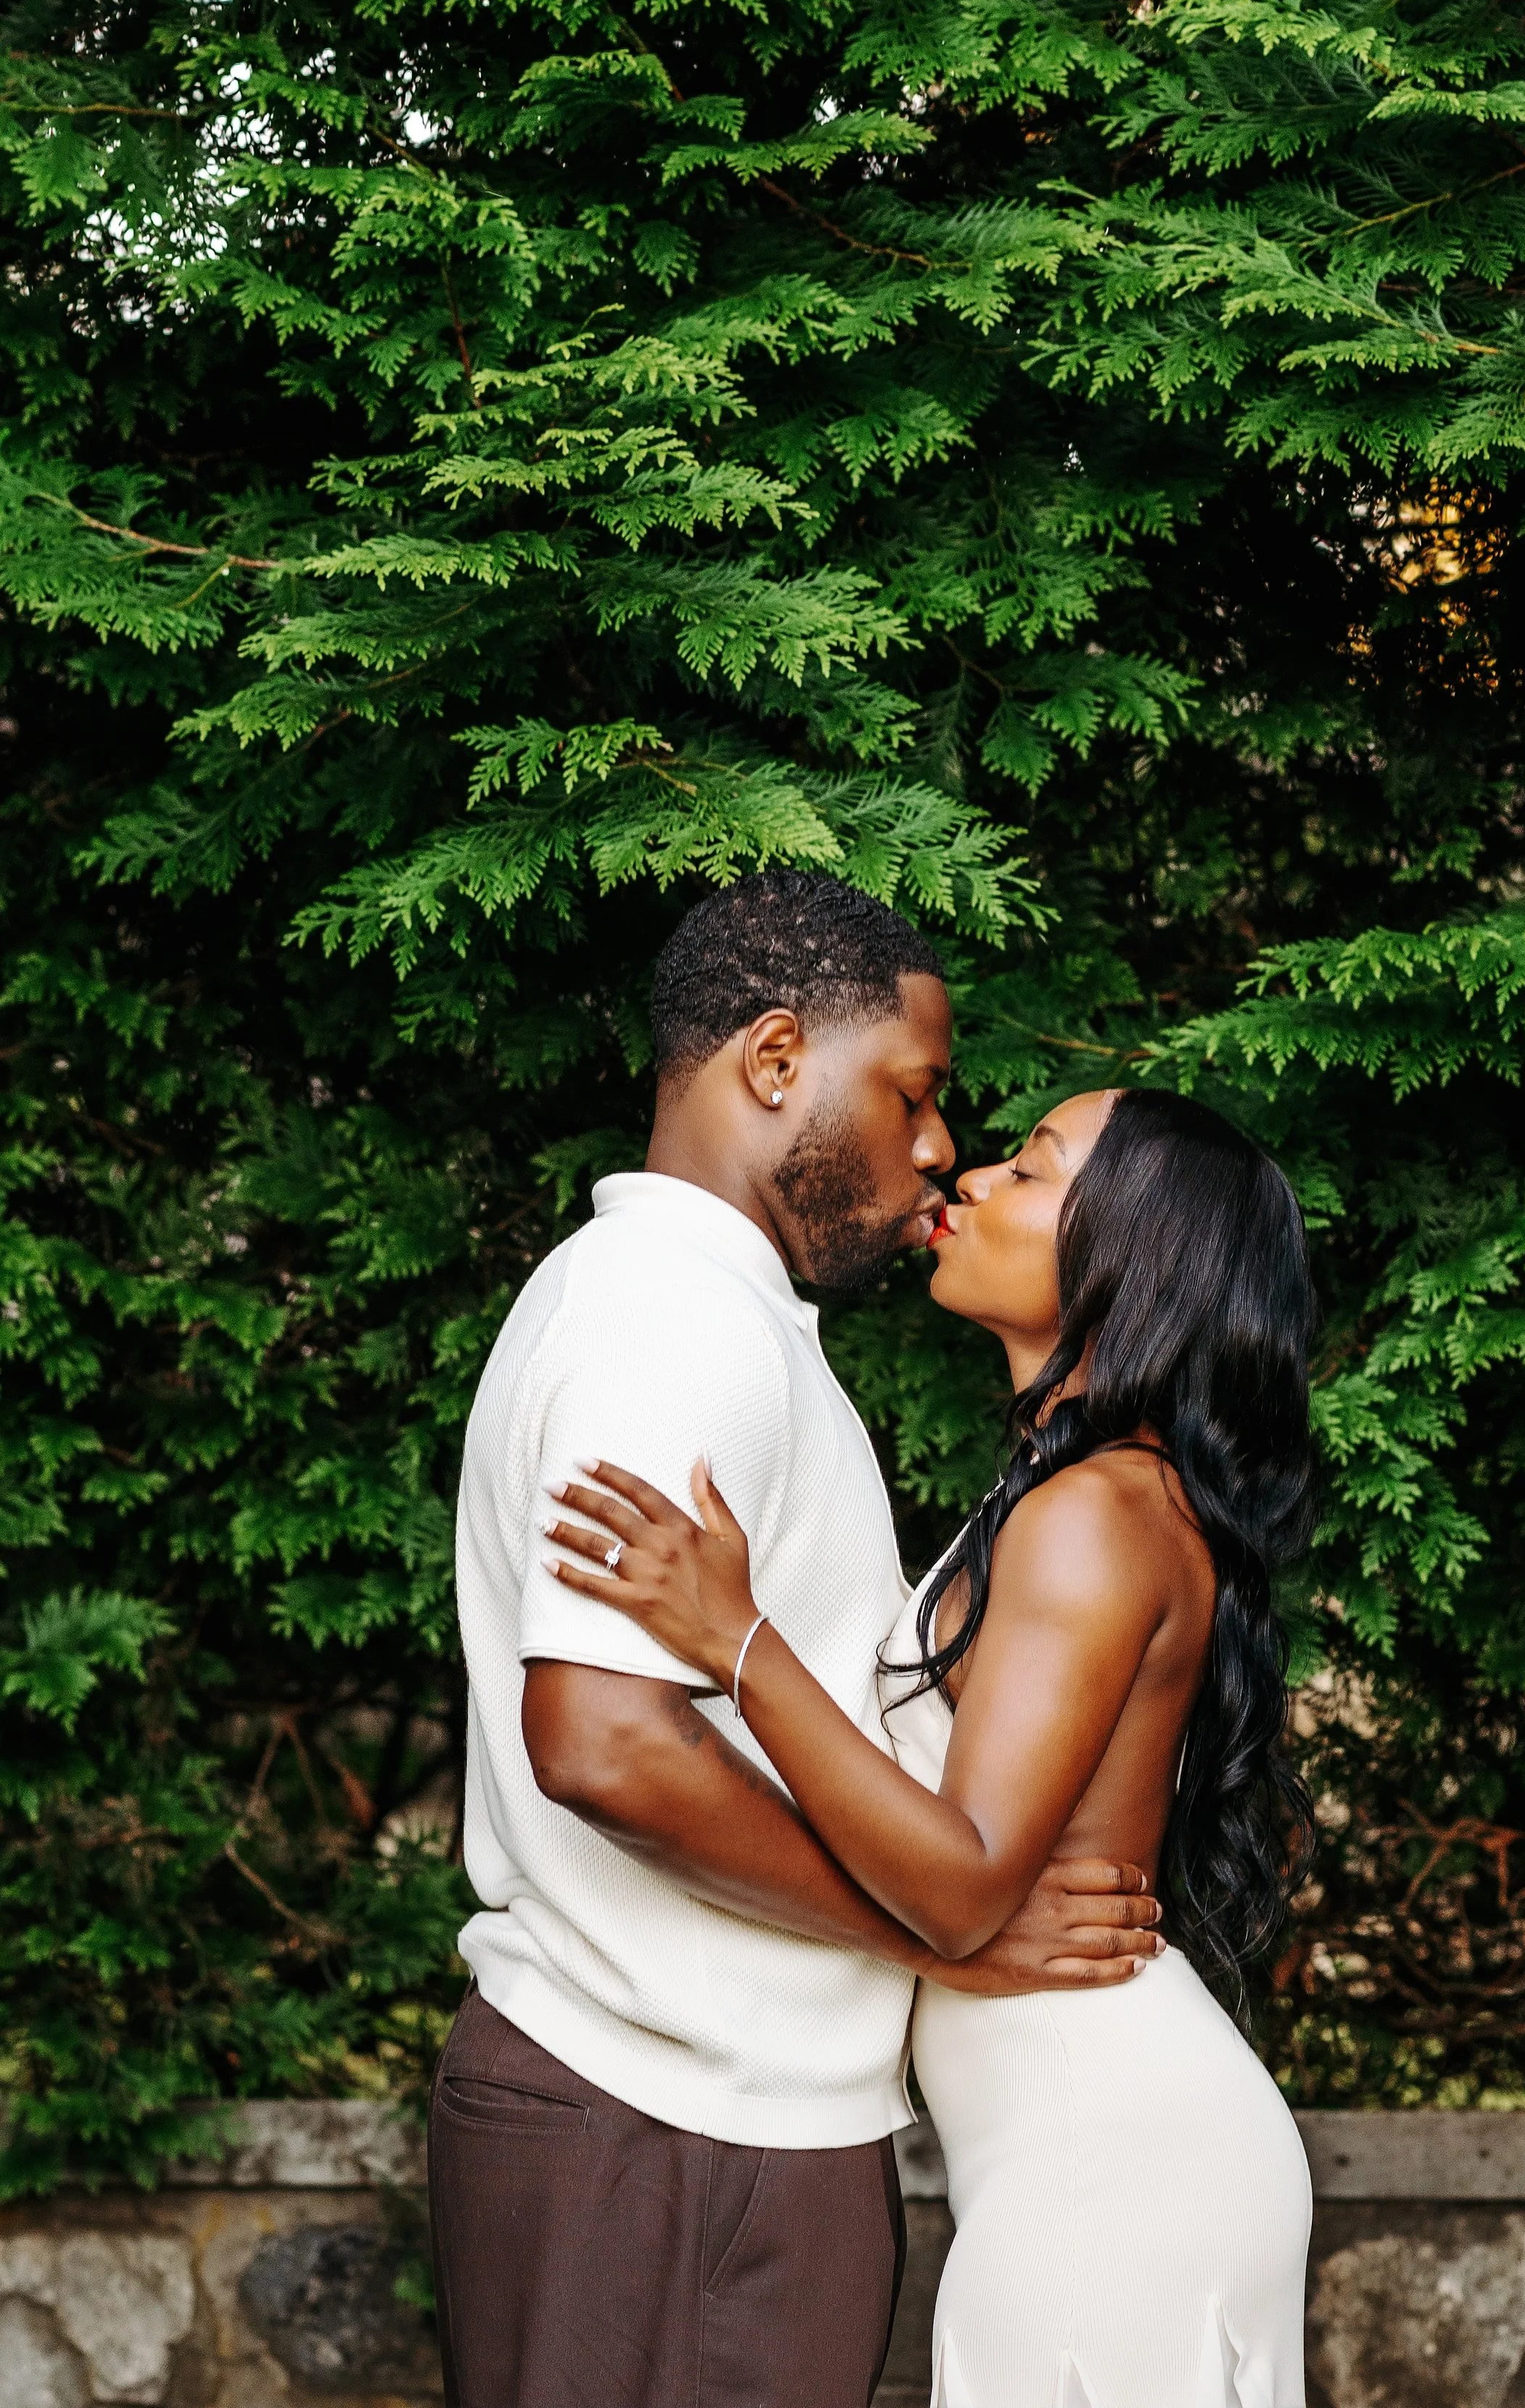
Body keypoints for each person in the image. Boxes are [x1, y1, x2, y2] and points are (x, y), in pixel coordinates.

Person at [429, 871, 1162, 2408]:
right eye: (911, 1094)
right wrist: (936, 1932)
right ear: (773, 1063)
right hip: (670, 2131)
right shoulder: (668, 1322)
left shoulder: (707, 1315)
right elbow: (607, 1743)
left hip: (704, 2135)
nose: (935, 1147)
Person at [545, 1083, 1320, 2408]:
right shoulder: (1084, 1495)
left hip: (1109, 2162)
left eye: (1033, 1168)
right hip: (1075, 2144)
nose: (968, 1178)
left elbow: (964, 1881)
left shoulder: (1095, 1512)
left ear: (1129, 1254)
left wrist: (740, 1639)